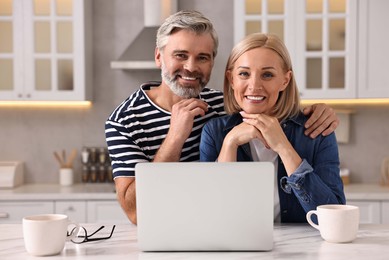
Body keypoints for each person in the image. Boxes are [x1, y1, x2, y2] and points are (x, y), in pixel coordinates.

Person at [105, 10, 340, 225]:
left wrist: (318, 111)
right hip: (170, 229)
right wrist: (175, 137)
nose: (190, 67)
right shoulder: (124, 121)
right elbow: (137, 213)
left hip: (221, 232)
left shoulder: (223, 105)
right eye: (180, 55)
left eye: (202, 57)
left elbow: (264, 101)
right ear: (159, 56)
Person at [199, 33, 346, 223]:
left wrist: (283, 147)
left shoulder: (317, 130)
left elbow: (334, 218)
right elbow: (213, 217)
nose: (254, 86)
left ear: (285, 80)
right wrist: (230, 143)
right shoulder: (215, 132)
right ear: (231, 78)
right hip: (241, 248)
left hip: (303, 250)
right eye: (244, 74)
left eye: (267, 75)